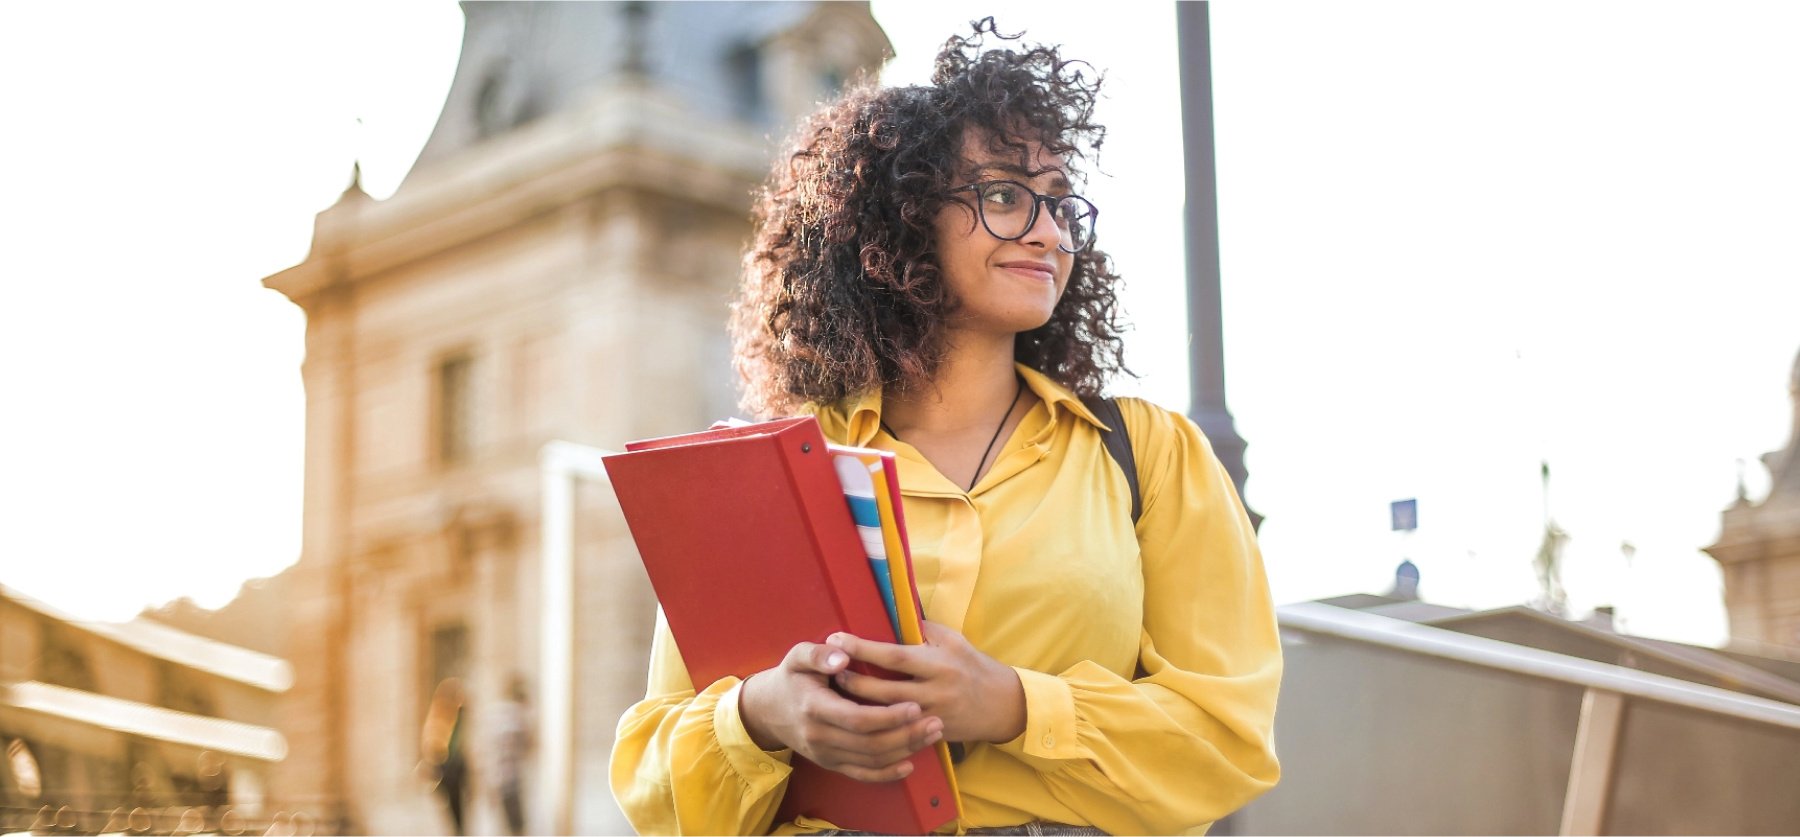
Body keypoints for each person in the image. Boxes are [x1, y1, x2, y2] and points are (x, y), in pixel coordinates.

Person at [611, 19, 1281, 836]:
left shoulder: (1150, 455)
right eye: (1004, 194)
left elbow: (1230, 740)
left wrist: (1012, 704)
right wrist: (758, 715)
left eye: (1062, 204)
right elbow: (652, 784)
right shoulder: (774, 472)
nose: (1047, 230)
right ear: (900, 218)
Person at [421, 678, 470, 835]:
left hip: (454, 770)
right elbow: (435, 746)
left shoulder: (454, 717)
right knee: (454, 813)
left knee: (458, 813)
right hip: (448, 771)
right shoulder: (440, 718)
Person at [487, 676, 534, 836]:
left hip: (497, 778)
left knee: (504, 825)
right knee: (517, 826)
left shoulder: (495, 715)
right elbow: (530, 745)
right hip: (512, 779)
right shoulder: (517, 717)